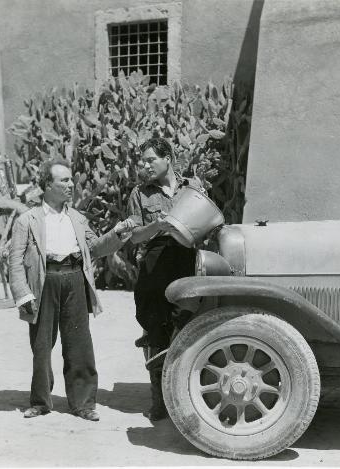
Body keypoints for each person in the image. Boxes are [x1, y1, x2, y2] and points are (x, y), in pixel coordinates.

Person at [9, 158, 135, 421]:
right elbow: (15, 261)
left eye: (70, 179)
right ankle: (41, 401)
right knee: (41, 345)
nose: (70, 185)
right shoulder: (27, 220)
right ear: (47, 185)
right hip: (44, 283)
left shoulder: (77, 218)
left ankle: (84, 404)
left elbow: (96, 248)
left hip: (75, 280)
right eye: (63, 180)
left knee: (79, 345)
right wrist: (23, 294)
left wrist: (117, 233)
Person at [127, 137, 201, 421]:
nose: (145, 166)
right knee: (155, 332)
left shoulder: (192, 188)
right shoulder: (140, 194)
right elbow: (134, 237)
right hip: (154, 265)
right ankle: (159, 401)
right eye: (142, 161)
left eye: (150, 160)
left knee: (189, 328)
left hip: (188, 262)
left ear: (167, 158)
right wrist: (157, 226)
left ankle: (185, 397)